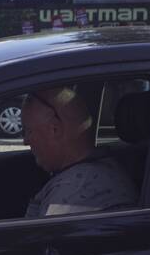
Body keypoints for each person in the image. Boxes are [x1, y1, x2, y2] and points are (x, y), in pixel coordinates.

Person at [21, 86, 138, 217]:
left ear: (55, 130)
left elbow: (40, 237)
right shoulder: (97, 171)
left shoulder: (74, 191)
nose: (25, 141)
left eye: (28, 131)